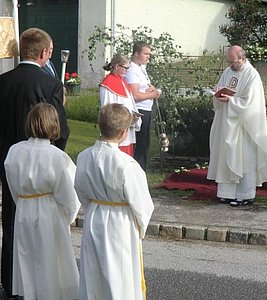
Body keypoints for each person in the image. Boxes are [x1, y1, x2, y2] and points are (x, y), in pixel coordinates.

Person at [0, 27, 69, 300]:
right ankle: (40, 283)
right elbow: (61, 130)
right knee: (40, 227)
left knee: (11, 222)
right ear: (44, 53)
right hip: (42, 165)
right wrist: (52, 157)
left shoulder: (2, 81)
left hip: (7, 162)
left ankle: (9, 282)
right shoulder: (50, 84)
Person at [75, 103, 154, 299]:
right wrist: (140, 226)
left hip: (95, 216)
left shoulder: (84, 157)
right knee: (120, 274)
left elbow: (80, 188)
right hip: (120, 222)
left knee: (94, 271)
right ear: (123, 133)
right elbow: (142, 203)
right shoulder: (127, 165)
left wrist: (93, 207)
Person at [4, 103, 80, 299]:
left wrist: (23, 202)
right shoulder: (57, 157)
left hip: (24, 208)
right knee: (49, 261)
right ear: (54, 125)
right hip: (49, 211)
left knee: (28, 257)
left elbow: (12, 184)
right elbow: (68, 194)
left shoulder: (14, 151)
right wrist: (69, 217)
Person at [207, 45, 267, 206]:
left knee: (244, 159)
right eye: (229, 61)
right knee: (226, 156)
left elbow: (252, 103)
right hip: (227, 123)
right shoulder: (228, 72)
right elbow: (221, 86)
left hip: (244, 126)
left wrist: (231, 100)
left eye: (234, 62)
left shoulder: (252, 75)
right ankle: (226, 193)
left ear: (243, 58)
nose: (231, 65)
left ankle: (244, 195)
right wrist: (218, 93)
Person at [125, 41, 161, 171]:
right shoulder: (132, 70)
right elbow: (135, 94)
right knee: (140, 145)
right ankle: (137, 172)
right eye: (145, 54)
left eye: (149, 54)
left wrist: (153, 90)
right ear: (136, 54)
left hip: (147, 109)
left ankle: (141, 171)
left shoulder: (141, 69)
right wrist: (153, 95)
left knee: (145, 144)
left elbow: (146, 88)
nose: (148, 57)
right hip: (139, 110)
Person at [100, 54, 142, 156]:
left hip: (127, 129)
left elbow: (130, 104)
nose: (127, 71)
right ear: (117, 67)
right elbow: (107, 110)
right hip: (116, 131)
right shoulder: (108, 84)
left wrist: (134, 117)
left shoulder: (123, 82)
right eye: (125, 68)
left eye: (128, 68)